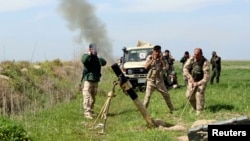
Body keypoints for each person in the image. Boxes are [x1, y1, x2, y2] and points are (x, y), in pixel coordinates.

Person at [143, 45, 174, 113]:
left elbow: (166, 68)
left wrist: (161, 60)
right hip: (151, 80)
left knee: (166, 95)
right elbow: (146, 67)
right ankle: (143, 111)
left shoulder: (162, 58)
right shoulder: (150, 57)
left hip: (159, 81)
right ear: (153, 51)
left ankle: (172, 109)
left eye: (158, 51)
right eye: (156, 51)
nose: (157, 53)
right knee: (147, 97)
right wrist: (152, 60)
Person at [80, 43, 107, 119]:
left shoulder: (97, 59)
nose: (94, 50)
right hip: (88, 80)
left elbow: (104, 62)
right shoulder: (86, 57)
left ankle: (91, 110)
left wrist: (96, 56)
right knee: (87, 97)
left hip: (95, 80)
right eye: (92, 49)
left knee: (93, 97)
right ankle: (87, 112)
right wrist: (89, 54)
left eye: (95, 49)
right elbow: (84, 60)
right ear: (89, 49)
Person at [183, 48, 210, 115]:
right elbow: (185, 68)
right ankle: (195, 107)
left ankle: (199, 110)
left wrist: (198, 83)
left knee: (199, 94)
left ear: (201, 54)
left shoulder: (205, 62)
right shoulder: (191, 59)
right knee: (189, 95)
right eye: (195, 54)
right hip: (192, 79)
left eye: (197, 55)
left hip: (201, 81)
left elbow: (206, 77)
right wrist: (190, 78)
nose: (195, 56)